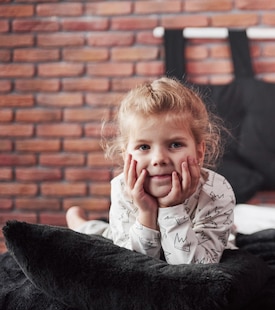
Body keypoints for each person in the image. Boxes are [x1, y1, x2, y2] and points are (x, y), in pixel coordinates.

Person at [66, 77, 236, 265]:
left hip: (197, 234)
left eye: (175, 144)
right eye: (144, 147)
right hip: (130, 232)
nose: (159, 159)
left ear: (199, 151)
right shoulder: (123, 188)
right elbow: (132, 264)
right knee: (100, 237)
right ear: (126, 156)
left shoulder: (217, 191)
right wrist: (146, 213)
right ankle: (79, 222)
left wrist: (172, 209)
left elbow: (195, 267)